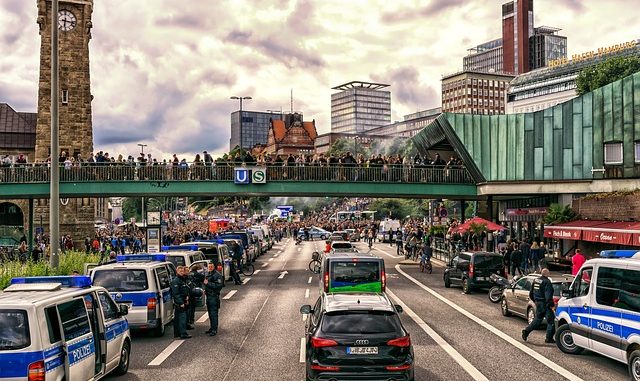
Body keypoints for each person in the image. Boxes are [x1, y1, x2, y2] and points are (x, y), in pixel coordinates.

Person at [522, 268, 556, 343]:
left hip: (538, 303)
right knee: (551, 321)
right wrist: (551, 305)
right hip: (545, 304)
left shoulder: (536, 280)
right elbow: (548, 296)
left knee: (537, 320)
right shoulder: (547, 282)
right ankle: (549, 338)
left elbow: (531, 293)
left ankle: (526, 331)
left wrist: (536, 301)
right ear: (547, 274)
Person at [170, 266, 192, 339]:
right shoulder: (176, 281)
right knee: (182, 318)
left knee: (178, 318)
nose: (182, 273)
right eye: (180, 271)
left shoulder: (183, 280)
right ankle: (183, 333)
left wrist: (187, 298)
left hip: (184, 300)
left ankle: (178, 333)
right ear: (177, 272)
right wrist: (181, 302)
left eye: (183, 271)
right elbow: (176, 294)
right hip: (180, 302)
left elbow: (185, 290)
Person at [203, 263, 224, 336]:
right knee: (210, 314)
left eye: (211, 266)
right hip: (209, 296)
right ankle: (212, 328)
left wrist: (208, 284)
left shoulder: (217, 275)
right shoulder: (209, 274)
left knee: (213, 314)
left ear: (214, 267)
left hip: (214, 296)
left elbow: (218, 286)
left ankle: (214, 329)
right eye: (209, 266)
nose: (210, 267)